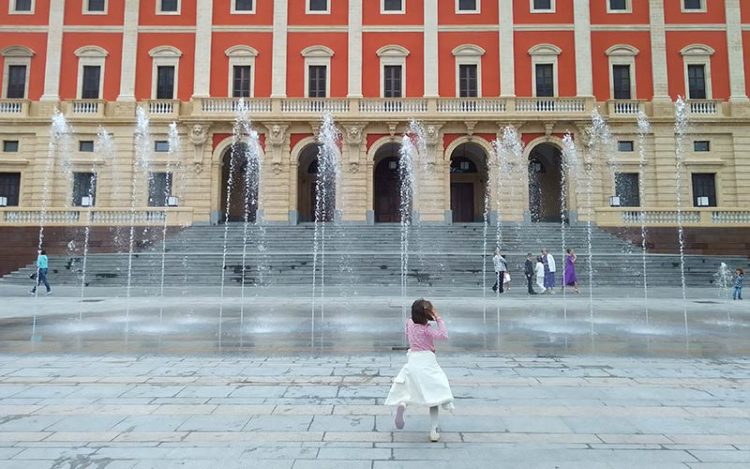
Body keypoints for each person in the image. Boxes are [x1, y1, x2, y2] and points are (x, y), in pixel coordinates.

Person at [385, 299, 454, 442]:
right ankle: (433, 430)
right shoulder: (427, 329)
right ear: (427, 314)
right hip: (427, 361)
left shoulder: (409, 323)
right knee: (435, 394)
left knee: (409, 390)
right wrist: (438, 317)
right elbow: (444, 335)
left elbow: (407, 332)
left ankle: (403, 405)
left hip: (413, 360)